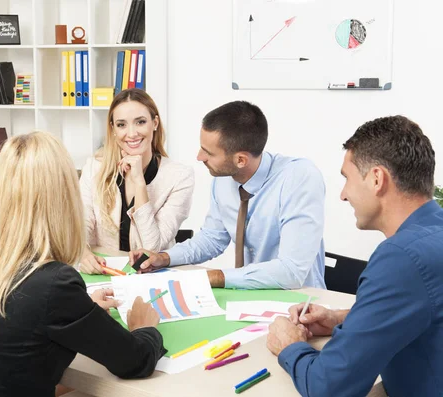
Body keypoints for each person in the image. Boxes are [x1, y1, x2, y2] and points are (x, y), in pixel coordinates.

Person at [0, 132, 165, 397]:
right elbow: (135, 361)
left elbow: (15, 320)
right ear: (62, 198)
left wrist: (84, 310)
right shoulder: (54, 282)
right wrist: (144, 328)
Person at [267, 116, 443, 397]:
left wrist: (290, 345)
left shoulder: (400, 258)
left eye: (347, 179)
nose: (343, 195)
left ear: (376, 179)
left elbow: (329, 388)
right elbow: (427, 310)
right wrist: (343, 318)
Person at [130, 100, 326, 289]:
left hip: (301, 303)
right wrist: (164, 258)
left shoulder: (299, 178)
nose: (199, 157)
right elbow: (212, 238)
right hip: (248, 297)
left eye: (209, 152)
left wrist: (214, 277)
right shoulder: (224, 177)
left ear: (241, 160)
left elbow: (291, 272)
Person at [79, 88, 195, 274]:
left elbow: (152, 249)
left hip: (152, 276)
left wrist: (139, 184)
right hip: (104, 273)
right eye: (122, 125)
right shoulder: (94, 168)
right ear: (113, 129)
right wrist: (83, 253)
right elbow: (80, 226)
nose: (131, 133)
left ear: (154, 123)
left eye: (140, 122)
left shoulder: (179, 177)